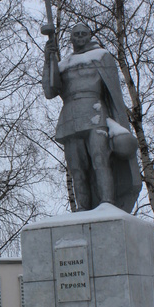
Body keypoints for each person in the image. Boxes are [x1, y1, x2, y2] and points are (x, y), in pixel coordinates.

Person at [42, 20, 141, 212]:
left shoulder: (101, 57)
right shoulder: (64, 64)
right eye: (76, 34)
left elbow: (113, 94)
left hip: (95, 112)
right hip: (70, 116)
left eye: (83, 33)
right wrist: (49, 59)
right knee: (76, 167)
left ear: (90, 36)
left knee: (100, 159)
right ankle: (83, 207)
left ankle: (107, 202)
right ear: (70, 38)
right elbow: (50, 90)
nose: (80, 37)